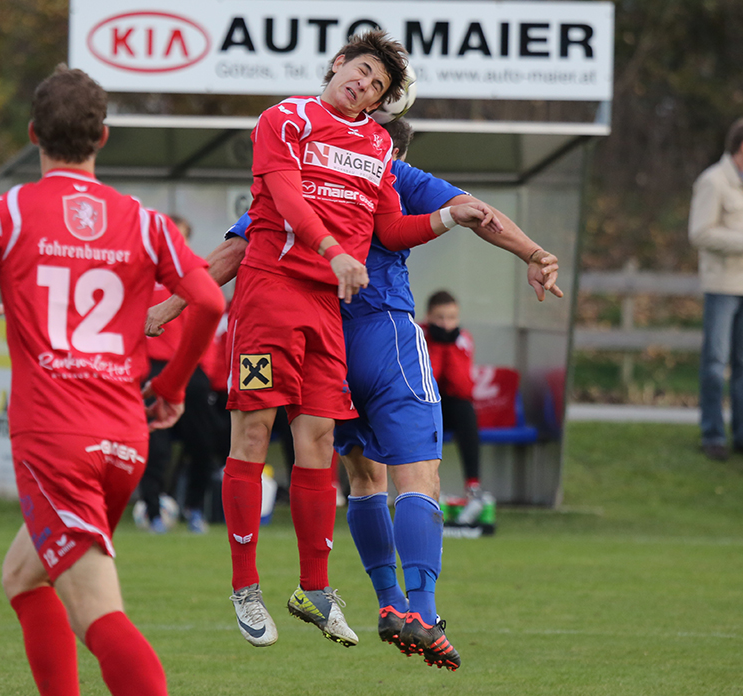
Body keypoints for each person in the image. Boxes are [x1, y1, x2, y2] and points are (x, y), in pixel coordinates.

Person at [146, 115, 561, 669]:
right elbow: (479, 214)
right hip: (383, 332)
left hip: (326, 339)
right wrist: (533, 253)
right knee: (419, 474)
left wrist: (171, 304)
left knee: (363, 477)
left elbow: (239, 249)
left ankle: (383, 600)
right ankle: (420, 610)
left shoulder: (304, 172)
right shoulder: (396, 173)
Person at [0, 66, 224, 696]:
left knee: (99, 614)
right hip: (122, 440)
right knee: (24, 577)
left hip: (54, 441)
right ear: (102, 138)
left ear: (33, 134)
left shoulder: (2, 216)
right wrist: (173, 388)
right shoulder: (145, 222)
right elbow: (208, 301)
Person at [219, 30, 502, 651]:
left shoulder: (377, 148)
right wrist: (330, 250)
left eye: (378, 86)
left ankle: (318, 590)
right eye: (363, 70)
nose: (365, 86)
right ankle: (246, 586)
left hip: (331, 313)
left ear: (380, 106)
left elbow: (392, 227)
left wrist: (451, 219)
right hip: (272, 298)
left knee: (323, 443)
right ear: (338, 62)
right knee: (255, 434)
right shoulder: (286, 119)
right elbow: (274, 209)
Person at [141, 215, 222, 534]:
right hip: (154, 367)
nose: (178, 242)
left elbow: (210, 320)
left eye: (183, 236)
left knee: (202, 443)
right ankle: (153, 511)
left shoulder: (197, 274)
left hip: (192, 370)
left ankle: (194, 509)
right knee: (155, 446)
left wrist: (208, 373)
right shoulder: (143, 273)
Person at [689, 117, 743, 461]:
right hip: (722, 287)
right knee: (715, 363)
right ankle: (713, 435)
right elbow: (700, 233)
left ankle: (741, 436)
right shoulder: (713, 181)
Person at [422, 289, 487, 527]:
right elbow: (427, 381)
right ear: (429, 316)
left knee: (465, 410)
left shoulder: (463, 339)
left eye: (451, 318)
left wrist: (448, 347)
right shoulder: (418, 335)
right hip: (424, 403)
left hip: (450, 404)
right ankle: (421, 489)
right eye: (440, 318)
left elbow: (462, 387)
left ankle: (473, 487)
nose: (446, 324)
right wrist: (439, 347)